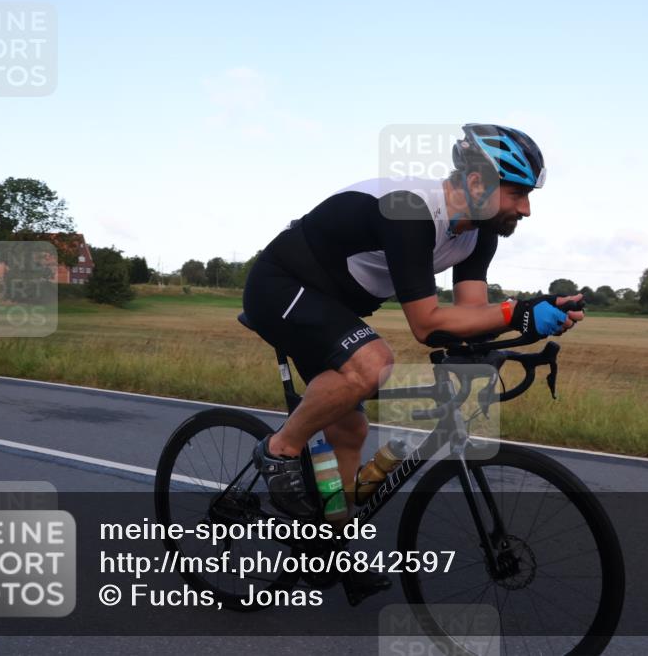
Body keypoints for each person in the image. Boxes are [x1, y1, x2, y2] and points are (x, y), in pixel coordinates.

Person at [241, 123, 583, 600]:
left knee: (351, 431)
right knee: (373, 364)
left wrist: (529, 319)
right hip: (281, 287)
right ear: (479, 183)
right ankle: (278, 450)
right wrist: (514, 312)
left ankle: (329, 545)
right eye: (518, 193)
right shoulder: (411, 211)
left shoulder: (479, 234)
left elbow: (468, 318)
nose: (525, 208)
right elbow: (427, 325)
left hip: (335, 308)